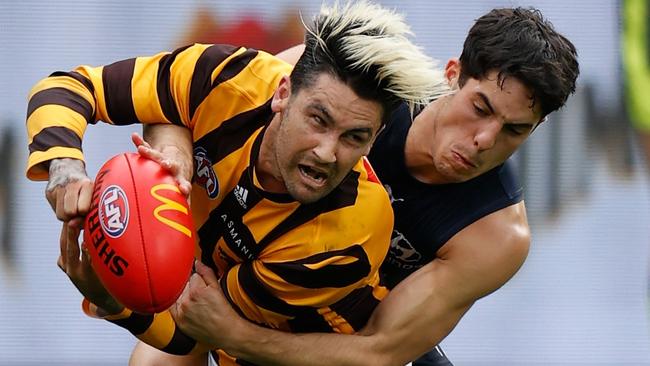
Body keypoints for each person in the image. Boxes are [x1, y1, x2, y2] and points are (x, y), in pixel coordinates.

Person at [131, 6, 580, 366]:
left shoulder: (496, 235)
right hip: (233, 276)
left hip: (327, 346)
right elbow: (181, 103)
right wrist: (176, 160)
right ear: (452, 73)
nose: (485, 140)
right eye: (480, 107)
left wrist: (235, 335)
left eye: (514, 131)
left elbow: (379, 350)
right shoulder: (356, 80)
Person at [26, 1, 449, 365]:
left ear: (373, 140)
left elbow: (194, 332)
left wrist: (107, 297)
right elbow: (69, 87)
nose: (325, 151)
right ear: (282, 93)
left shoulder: (347, 232)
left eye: (353, 137)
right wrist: (65, 167)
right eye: (318, 120)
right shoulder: (228, 77)